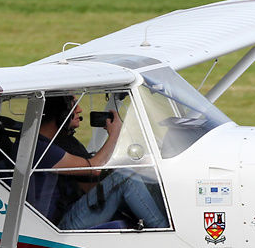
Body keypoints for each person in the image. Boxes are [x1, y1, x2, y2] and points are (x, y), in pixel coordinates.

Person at [28, 94, 169, 230]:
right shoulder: (42, 149)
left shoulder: (57, 141)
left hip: (69, 210)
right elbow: (93, 168)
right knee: (125, 178)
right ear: (61, 113)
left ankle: (168, 224)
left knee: (144, 179)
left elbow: (88, 178)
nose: (80, 110)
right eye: (73, 105)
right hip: (57, 225)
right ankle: (163, 230)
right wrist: (115, 134)